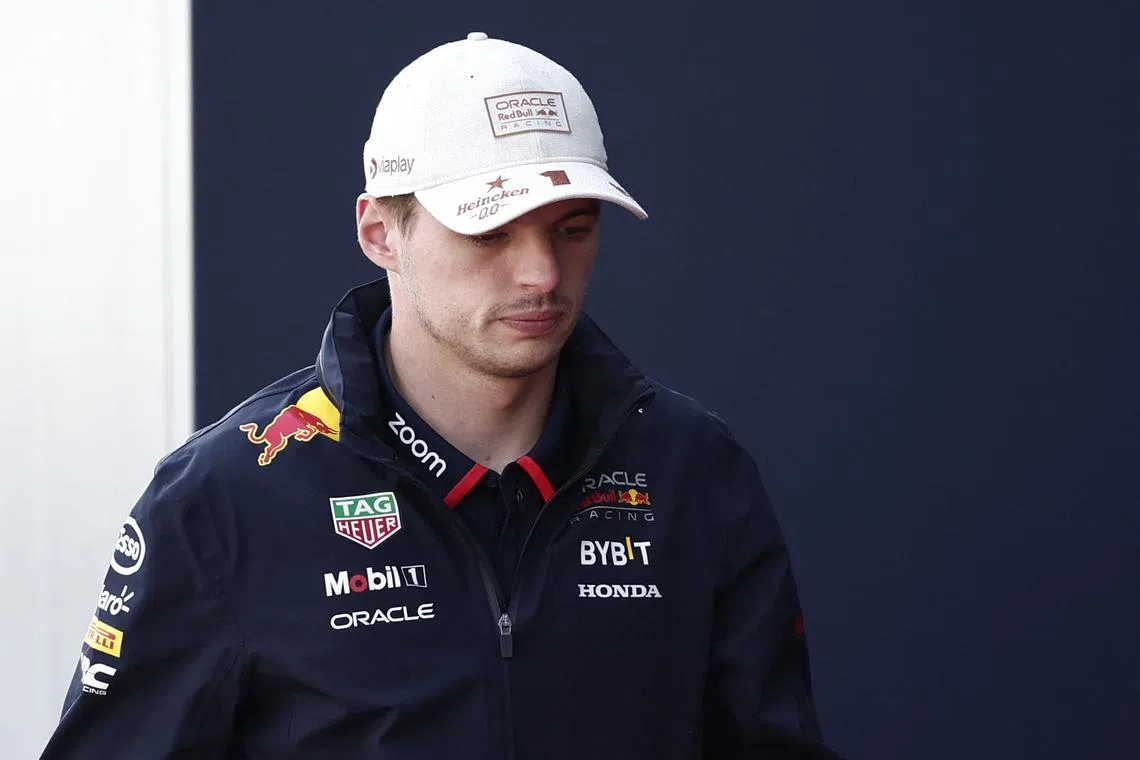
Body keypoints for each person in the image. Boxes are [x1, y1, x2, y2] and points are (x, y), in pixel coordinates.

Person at [41, 32, 842, 759]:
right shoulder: (226, 498)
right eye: (490, 232)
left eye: (572, 228)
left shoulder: (693, 470)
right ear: (379, 231)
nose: (541, 275)